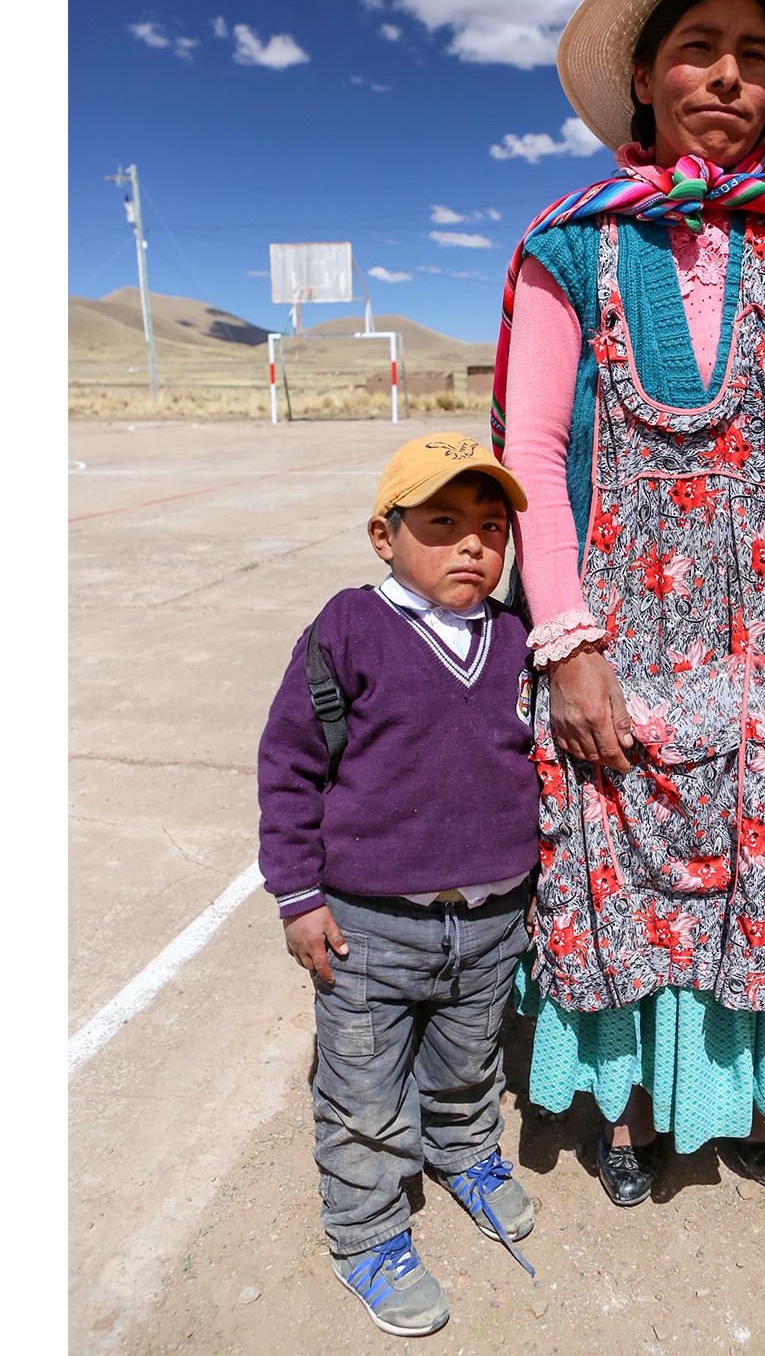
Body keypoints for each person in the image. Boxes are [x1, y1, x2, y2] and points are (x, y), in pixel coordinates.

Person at [493, 0, 765, 1208]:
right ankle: (626, 1115)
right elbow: (534, 449)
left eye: (751, 57)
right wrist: (567, 642)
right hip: (623, 648)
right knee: (620, 869)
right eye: (697, 50)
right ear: (645, 78)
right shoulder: (572, 249)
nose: (726, 77)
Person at [257, 434, 542, 1338]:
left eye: (490, 528)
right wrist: (299, 897)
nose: (472, 547)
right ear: (385, 535)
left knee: (469, 1066)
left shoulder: (517, 640)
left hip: (492, 921)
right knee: (364, 1092)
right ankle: (368, 1233)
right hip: (369, 930)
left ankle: (464, 1156)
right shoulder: (349, 627)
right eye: (442, 524)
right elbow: (289, 767)